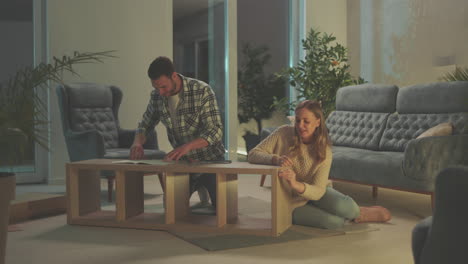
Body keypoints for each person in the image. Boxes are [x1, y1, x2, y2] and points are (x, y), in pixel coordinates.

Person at [248, 100, 391, 229]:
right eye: (297, 120)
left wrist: (296, 184)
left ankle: (360, 213)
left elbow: (318, 190)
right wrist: (275, 159)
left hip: (318, 192)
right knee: (335, 222)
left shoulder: (324, 150)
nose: (300, 126)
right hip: (289, 201)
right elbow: (253, 154)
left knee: (350, 209)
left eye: (306, 121)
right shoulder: (283, 133)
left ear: (317, 122)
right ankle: (342, 214)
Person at [130, 56, 226, 208]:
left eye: (163, 87)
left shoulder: (202, 90)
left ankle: (205, 186)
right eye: (156, 88)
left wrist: (187, 146)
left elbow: (215, 131)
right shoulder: (157, 96)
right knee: (171, 210)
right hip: (183, 162)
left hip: (211, 160)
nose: (160, 92)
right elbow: (145, 125)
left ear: (174, 76)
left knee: (222, 210)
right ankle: (196, 186)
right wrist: (137, 142)